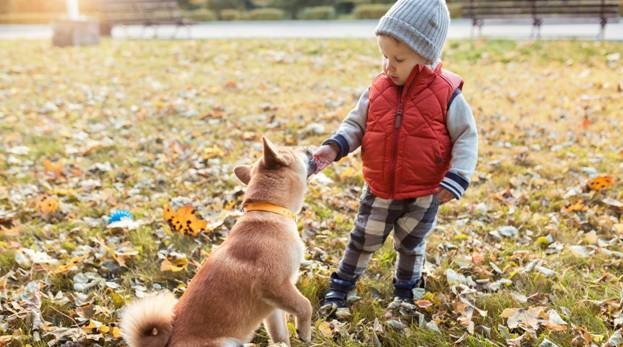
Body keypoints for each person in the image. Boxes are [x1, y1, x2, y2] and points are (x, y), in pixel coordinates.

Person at [313, 0, 479, 312]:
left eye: (399, 59)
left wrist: (457, 177)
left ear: (426, 56)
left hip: (424, 191)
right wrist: (334, 147)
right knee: (363, 238)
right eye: (385, 56)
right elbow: (356, 124)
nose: (389, 66)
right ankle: (342, 285)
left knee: (411, 244)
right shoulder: (378, 88)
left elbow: (466, 137)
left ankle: (406, 290)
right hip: (380, 188)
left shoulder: (447, 93)